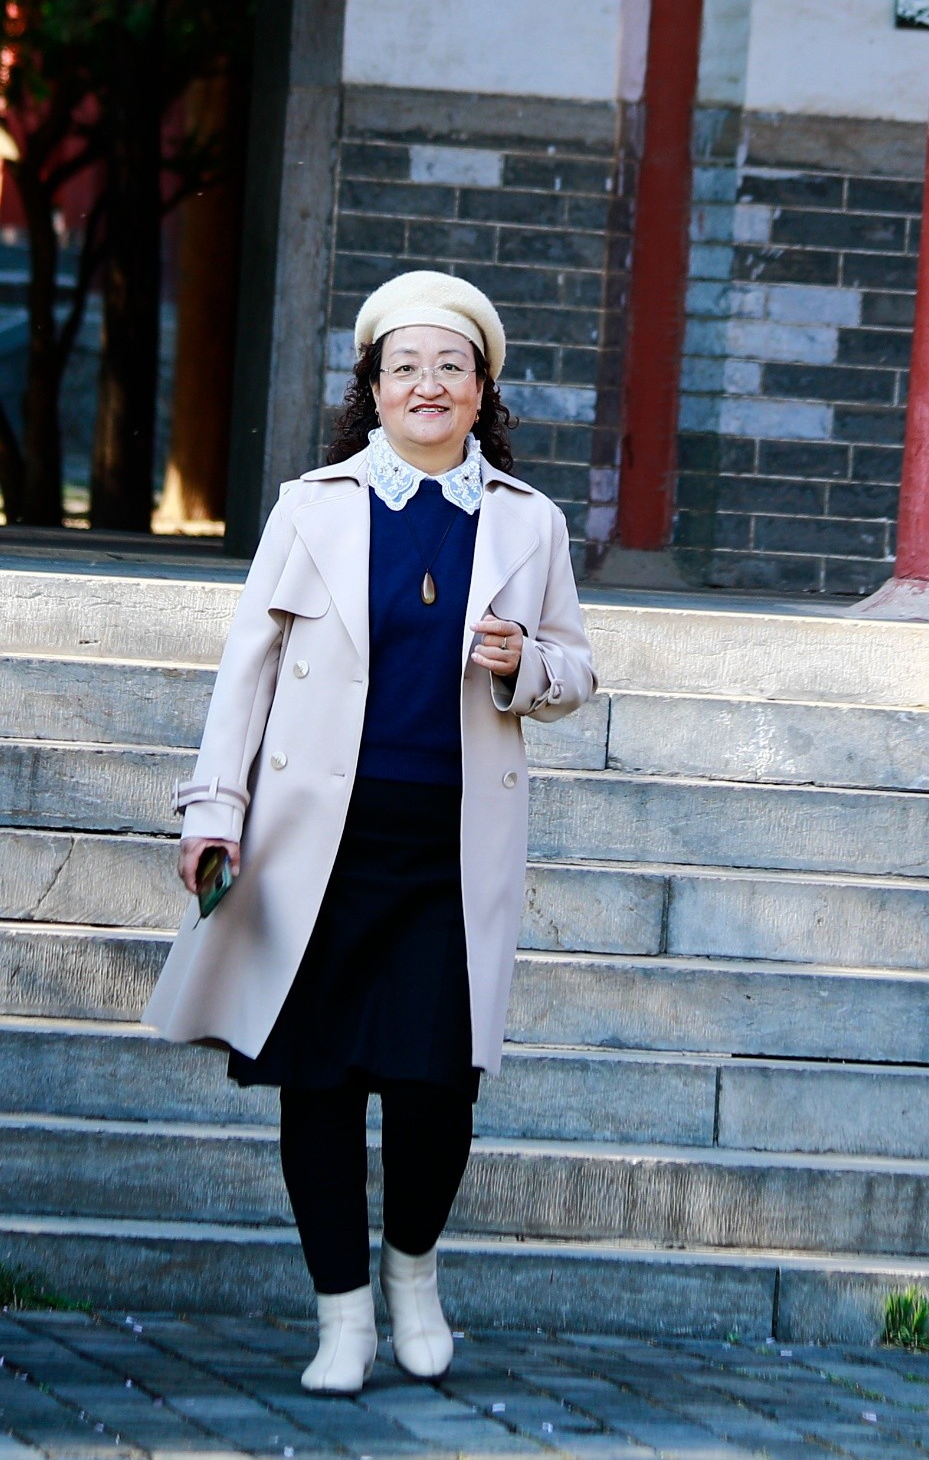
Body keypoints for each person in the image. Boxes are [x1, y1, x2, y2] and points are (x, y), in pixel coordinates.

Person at [138, 269, 595, 1395]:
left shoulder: (527, 524)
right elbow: (241, 674)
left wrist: (522, 666)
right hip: (318, 847)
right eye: (406, 368)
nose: (427, 386)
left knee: (440, 1086)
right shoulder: (313, 506)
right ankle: (341, 1317)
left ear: (482, 390)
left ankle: (413, 1271)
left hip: (448, 851)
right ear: (373, 390)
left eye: (451, 367)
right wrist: (213, 812)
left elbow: (575, 668)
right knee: (322, 1085)